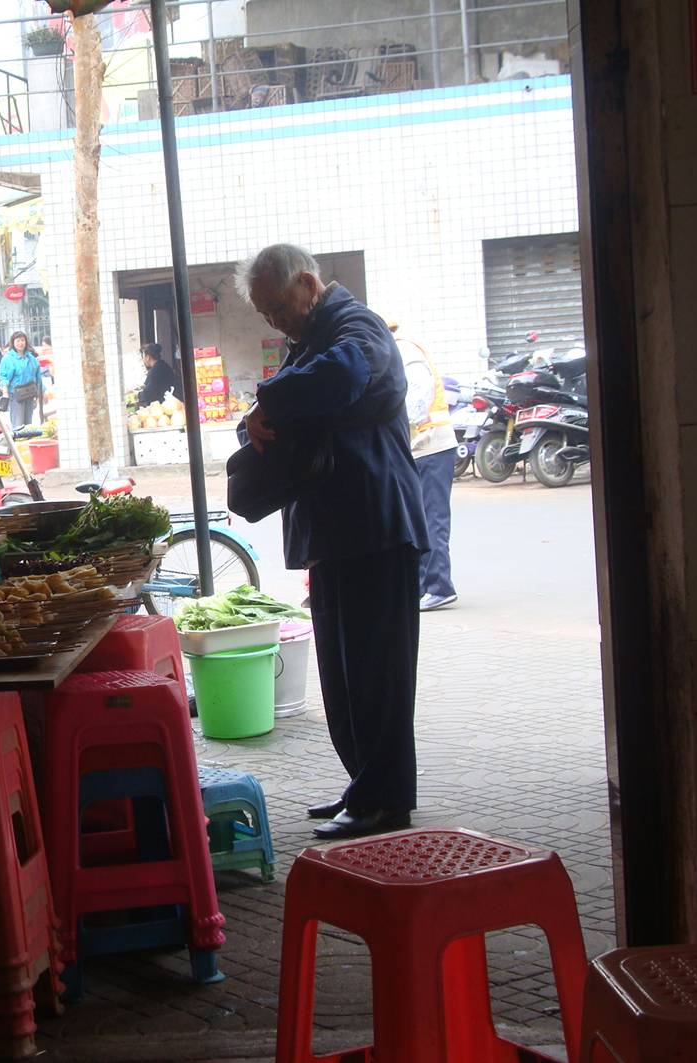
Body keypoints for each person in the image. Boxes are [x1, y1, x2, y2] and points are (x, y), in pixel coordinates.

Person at [238, 243, 427, 841]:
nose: (274, 319)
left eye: (277, 305)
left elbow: (341, 377)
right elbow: (299, 389)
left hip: (375, 526)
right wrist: (262, 409)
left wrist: (268, 401)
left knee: (377, 674)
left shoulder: (356, 327)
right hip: (340, 533)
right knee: (343, 676)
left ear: (308, 284)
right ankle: (365, 789)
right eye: (263, 311)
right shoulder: (312, 340)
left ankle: (385, 800)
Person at [396, 321, 458, 611]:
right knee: (417, 520)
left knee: (432, 519)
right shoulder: (397, 349)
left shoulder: (405, 350)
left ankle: (439, 586)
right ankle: (421, 586)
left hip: (433, 446)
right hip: (420, 448)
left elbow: (416, 401)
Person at [0, 331, 43, 429]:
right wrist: (5, 393)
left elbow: (38, 377)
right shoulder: (8, 359)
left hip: (30, 394)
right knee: (18, 425)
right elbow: (3, 377)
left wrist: (42, 392)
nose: (20, 343)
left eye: (22, 340)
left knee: (29, 425)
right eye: (18, 340)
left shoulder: (31, 358)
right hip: (15, 396)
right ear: (13, 343)